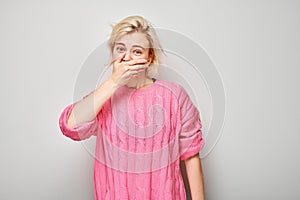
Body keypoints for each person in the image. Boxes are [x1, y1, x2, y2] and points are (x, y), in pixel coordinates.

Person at [59, 15, 205, 200]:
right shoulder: (104, 98)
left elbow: (191, 155)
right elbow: (70, 125)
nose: (126, 57)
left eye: (136, 51)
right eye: (120, 49)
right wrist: (113, 82)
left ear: (149, 57)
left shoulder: (174, 96)